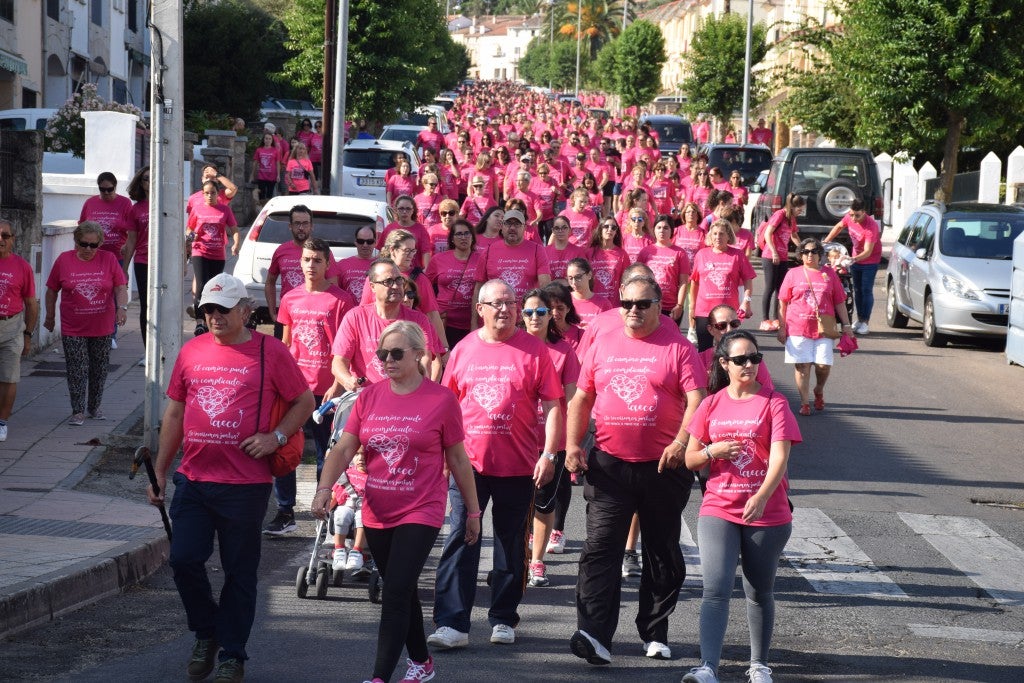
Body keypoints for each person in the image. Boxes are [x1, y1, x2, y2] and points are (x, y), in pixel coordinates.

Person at [147, 274, 313, 683]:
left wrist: (275, 438)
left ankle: (232, 655)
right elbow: (174, 415)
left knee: (240, 573)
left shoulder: (270, 351)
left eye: (223, 309)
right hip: (195, 480)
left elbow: (304, 401)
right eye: (208, 309)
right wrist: (161, 473)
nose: (214, 316)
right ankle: (207, 633)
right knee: (184, 559)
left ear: (245, 311)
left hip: (246, 486)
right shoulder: (191, 351)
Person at [313, 321, 480, 683]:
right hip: (377, 509)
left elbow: (458, 459)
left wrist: (473, 510)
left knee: (395, 591)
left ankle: (379, 677)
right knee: (401, 589)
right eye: (381, 354)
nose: (386, 360)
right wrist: (324, 488)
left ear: (419, 354)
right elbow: (344, 448)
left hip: (422, 507)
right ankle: (422, 661)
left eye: (396, 353)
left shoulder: (441, 399)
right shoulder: (369, 396)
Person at [566, 275, 706, 666]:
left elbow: (698, 400)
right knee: (599, 551)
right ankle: (593, 635)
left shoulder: (678, 347)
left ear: (658, 306)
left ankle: (655, 631)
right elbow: (582, 396)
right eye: (626, 303)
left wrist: (680, 444)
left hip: (664, 467)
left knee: (661, 552)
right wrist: (573, 444)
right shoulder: (604, 342)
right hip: (610, 466)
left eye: (641, 304)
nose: (632, 310)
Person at [428, 279, 562, 650]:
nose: (505, 309)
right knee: (461, 537)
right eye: (497, 303)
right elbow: (445, 405)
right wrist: (440, 455)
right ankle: (452, 623)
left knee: (509, 544)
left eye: (511, 303)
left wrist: (549, 454)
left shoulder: (535, 351)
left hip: (518, 465)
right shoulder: (464, 349)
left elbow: (553, 407)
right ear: (480, 309)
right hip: (467, 465)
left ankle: (503, 617)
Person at [680, 330, 800, 683]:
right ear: (724, 364)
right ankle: (707, 668)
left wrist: (761, 496)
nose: (749, 365)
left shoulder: (774, 402)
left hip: (767, 511)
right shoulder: (711, 403)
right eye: (741, 359)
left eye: (755, 358)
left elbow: (780, 456)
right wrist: (710, 452)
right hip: (719, 506)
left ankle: (759, 665)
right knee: (715, 588)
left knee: (758, 589)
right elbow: (690, 458)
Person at [265, 238, 356, 537]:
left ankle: (325, 507)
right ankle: (285, 511)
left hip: (327, 389)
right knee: (285, 447)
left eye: (317, 260)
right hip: (294, 388)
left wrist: (339, 386)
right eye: (306, 259)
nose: (311, 265)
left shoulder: (341, 300)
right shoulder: (290, 298)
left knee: (326, 452)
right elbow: (286, 345)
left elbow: (346, 350)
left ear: (328, 264)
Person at [522, 288, 580, 589]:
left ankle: (537, 561)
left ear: (551, 315)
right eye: (529, 312)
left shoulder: (565, 351)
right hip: (515, 440)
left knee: (544, 503)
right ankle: (521, 556)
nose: (535, 317)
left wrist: (571, 443)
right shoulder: (512, 347)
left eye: (540, 312)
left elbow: (571, 402)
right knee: (519, 504)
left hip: (550, 442)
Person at [43, 222, 128, 425]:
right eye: (84, 244)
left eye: (94, 245)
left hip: (102, 325)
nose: (89, 249)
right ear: (76, 241)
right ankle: (78, 410)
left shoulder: (108, 259)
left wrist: (121, 308)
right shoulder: (64, 260)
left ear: (100, 243)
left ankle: (94, 406)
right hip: (73, 326)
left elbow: (120, 287)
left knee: (99, 368)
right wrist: (49, 317)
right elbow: (52, 290)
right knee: (77, 368)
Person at [328, 258, 445, 397]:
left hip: (405, 399)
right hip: (366, 399)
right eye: (388, 282)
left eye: (399, 280)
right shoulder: (355, 317)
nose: (395, 286)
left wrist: (418, 391)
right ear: (372, 287)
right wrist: (348, 381)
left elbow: (425, 359)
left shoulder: (418, 320)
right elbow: (339, 362)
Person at [776, 238, 854, 416]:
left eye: (813, 251)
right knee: (802, 367)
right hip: (797, 327)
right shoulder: (793, 274)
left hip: (823, 328)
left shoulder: (830, 274)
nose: (809, 255)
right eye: (805, 252)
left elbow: (840, 302)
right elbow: (783, 303)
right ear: (800, 255)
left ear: (820, 254)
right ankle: (804, 403)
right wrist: (782, 327)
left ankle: (818, 390)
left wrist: (847, 325)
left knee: (823, 365)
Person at [470, 209, 551, 327]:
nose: (512, 228)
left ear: (524, 228)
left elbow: (545, 287)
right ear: (502, 227)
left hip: (526, 320)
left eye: (517, 224)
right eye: (508, 224)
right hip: (497, 319)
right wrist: (474, 323)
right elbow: (478, 290)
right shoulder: (488, 251)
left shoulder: (537, 250)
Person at [690, 219, 756, 352]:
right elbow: (695, 282)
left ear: (728, 236)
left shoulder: (737, 255)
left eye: (721, 234)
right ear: (710, 236)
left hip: (728, 311)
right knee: (705, 350)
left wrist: (746, 301)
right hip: (704, 311)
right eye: (714, 234)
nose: (717, 237)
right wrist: (692, 306)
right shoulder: (702, 255)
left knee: (728, 349)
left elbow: (748, 279)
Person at [0, 219, 38, 442]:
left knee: (8, 377)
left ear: (13, 240)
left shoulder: (22, 266)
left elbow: (31, 303)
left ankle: (2, 421)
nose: (1, 239)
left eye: (6, 236)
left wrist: (28, 335)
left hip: (12, 326)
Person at [187, 180, 240, 335]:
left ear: (218, 194)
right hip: (200, 251)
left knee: (214, 288)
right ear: (203, 194)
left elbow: (235, 229)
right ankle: (199, 322)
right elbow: (189, 229)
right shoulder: (197, 209)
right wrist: (191, 236)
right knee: (202, 285)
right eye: (206, 193)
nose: (209, 196)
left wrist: (235, 244)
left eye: (213, 193)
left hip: (218, 254)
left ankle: (209, 319)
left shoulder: (224, 210)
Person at [822, 199, 882, 335]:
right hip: (854, 259)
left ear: (864, 213)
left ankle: (865, 321)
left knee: (866, 290)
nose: (853, 218)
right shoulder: (849, 217)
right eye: (852, 214)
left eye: (857, 215)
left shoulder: (871, 226)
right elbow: (838, 227)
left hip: (869, 261)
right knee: (856, 290)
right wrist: (827, 241)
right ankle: (859, 319)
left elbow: (868, 251)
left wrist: (853, 259)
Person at [265, 204, 320, 338]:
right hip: (286, 316)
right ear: (290, 226)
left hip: (313, 316)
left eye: (305, 223)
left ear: (312, 226)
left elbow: (332, 284)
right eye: (297, 224)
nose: (301, 228)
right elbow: (269, 283)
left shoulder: (321, 251)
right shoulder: (281, 251)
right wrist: (272, 312)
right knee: (282, 356)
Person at [425, 218, 479, 347]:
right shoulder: (438, 259)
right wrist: (433, 310)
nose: (463, 237)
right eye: (459, 234)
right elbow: (425, 286)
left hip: (472, 323)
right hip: (444, 322)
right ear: (452, 239)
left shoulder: (482, 259)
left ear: (472, 237)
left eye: (467, 233)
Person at [759, 193, 805, 332]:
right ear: (793, 206)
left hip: (783, 256)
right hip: (770, 256)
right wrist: (773, 251)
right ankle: (765, 319)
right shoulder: (780, 214)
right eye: (799, 209)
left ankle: (777, 318)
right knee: (770, 287)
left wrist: (803, 248)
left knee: (781, 290)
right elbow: (768, 233)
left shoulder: (791, 218)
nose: (800, 212)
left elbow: (794, 235)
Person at [637, 214, 690, 323]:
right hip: (649, 303)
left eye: (666, 228)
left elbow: (683, 282)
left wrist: (679, 305)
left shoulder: (680, 253)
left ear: (672, 231)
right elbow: (638, 279)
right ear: (654, 230)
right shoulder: (645, 252)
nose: (662, 231)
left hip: (670, 307)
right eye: (659, 227)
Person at [121, 167, 150, 347]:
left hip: (164, 263)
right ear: (140, 182)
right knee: (146, 307)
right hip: (143, 262)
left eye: (152, 178)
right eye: (146, 178)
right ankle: (148, 350)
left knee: (165, 306)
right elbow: (131, 240)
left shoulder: (168, 205)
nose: (149, 182)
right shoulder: (136, 209)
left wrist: (182, 263)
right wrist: (123, 271)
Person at [79, 172, 134, 264]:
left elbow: (133, 230)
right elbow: (81, 229)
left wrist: (127, 246)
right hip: (93, 255)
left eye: (109, 189)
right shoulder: (90, 203)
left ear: (115, 187)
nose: (106, 192)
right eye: (102, 189)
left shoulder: (125, 203)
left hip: (117, 256)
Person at [587, 218, 630, 306]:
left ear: (616, 232)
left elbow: (626, 281)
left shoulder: (622, 254)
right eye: (606, 226)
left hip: (614, 304)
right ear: (600, 229)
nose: (610, 230)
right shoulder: (589, 252)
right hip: (594, 303)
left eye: (613, 228)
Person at [331, 224, 378, 301]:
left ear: (375, 242)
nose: (365, 245)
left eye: (369, 241)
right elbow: (336, 292)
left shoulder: (382, 266)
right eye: (361, 241)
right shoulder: (342, 265)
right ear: (355, 242)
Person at [566, 257, 613, 329]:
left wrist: (590, 330)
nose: (574, 282)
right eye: (570, 278)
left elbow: (608, 331)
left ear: (589, 275)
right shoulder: (565, 301)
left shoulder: (604, 304)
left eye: (578, 277)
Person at [546, 216, 588, 281]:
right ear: (553, 231)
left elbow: (583, 276)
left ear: (570, 230)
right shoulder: (544, 252)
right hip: (549, 290)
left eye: (564, 228)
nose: (560, 231)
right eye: (557, 228)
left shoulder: (578, 251)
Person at [251, 132, 281, 205]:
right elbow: (255, 163)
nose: (268, 140)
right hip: (262, 175)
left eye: (269, 139)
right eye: (266, 138)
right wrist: (252, 174)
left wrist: (278, 175)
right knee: (261, 194)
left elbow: (277, 163)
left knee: (269, 194)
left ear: (272, 140)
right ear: (263, 140)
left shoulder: (275, 150)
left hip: (272, 176)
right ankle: (261, 209)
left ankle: (268, 210)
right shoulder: (259, 150)